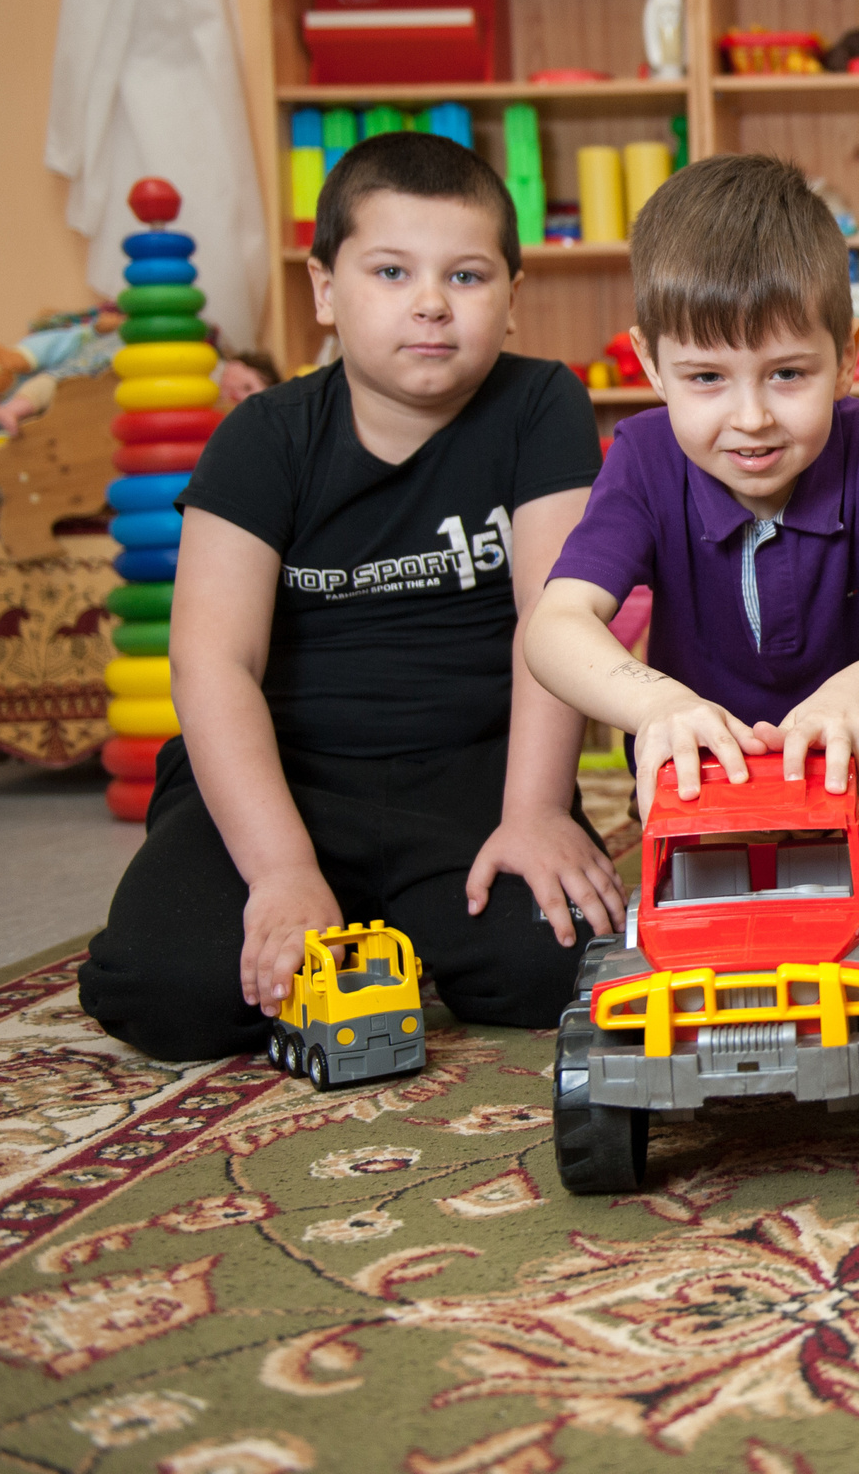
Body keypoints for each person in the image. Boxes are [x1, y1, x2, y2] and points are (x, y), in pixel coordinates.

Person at [80, 133, 624, 1060]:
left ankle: (398, 928)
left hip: (471, 778)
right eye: (390, 272)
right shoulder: (265, 436)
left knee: (555, 973)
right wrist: (282, 869)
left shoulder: (542, 405)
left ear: (512, 301)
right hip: (290, 777)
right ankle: (342, 913)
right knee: (169, 993)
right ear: (325, 291)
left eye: (465, 277)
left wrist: (533, 812)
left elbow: (554, 619)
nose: (429, 304)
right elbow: (213, 660)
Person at [524, 154, 859, 933]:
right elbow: (553, 627)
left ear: (846, 357)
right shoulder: (644, 459)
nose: (750, 417)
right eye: (706, 378)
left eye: (787, 373)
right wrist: (659, 706)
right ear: (650, 364)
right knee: (685, 951)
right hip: (703, 784)